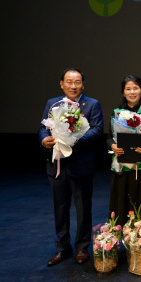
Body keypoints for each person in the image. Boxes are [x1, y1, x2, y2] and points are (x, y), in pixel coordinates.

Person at [39, 68, 104, 266]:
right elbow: (43, 127)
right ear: (61, 84)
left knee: (83, 208)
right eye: (69, 81)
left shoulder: (92, 104)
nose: (73, 86)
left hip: (81, 165)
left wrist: (76, 139)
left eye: (77, 82)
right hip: (57, 164)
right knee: (60, 208)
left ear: (83, 84)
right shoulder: (52, 103)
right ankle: (62, 248)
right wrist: (44, 141)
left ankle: (82, 247)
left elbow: (97, 128)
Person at [108, 75, 141, 228]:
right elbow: (110, 137)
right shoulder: (117, 113)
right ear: (123, 92)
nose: (132, 92)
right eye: (128, 89)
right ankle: (120, 240)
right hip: (123, 166)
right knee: (121, 204)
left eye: (135, 88)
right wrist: (112, 146)